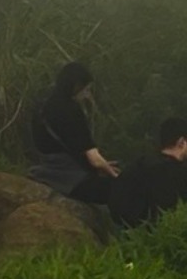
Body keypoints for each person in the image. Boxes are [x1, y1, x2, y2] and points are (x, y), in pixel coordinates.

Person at [28, 62, 120, 204]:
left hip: (44, 172)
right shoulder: (71, 110)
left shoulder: (41, 105)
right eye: (85, 89)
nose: (86, 94)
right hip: (72, 180)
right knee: (122, 190)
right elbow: (94, 159)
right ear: (76, 85)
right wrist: (112, 173)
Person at [110, 118, 187, 230]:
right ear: (181, 142)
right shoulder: (179, 173)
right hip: (164, 235)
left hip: (127, 234)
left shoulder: (137, 166)